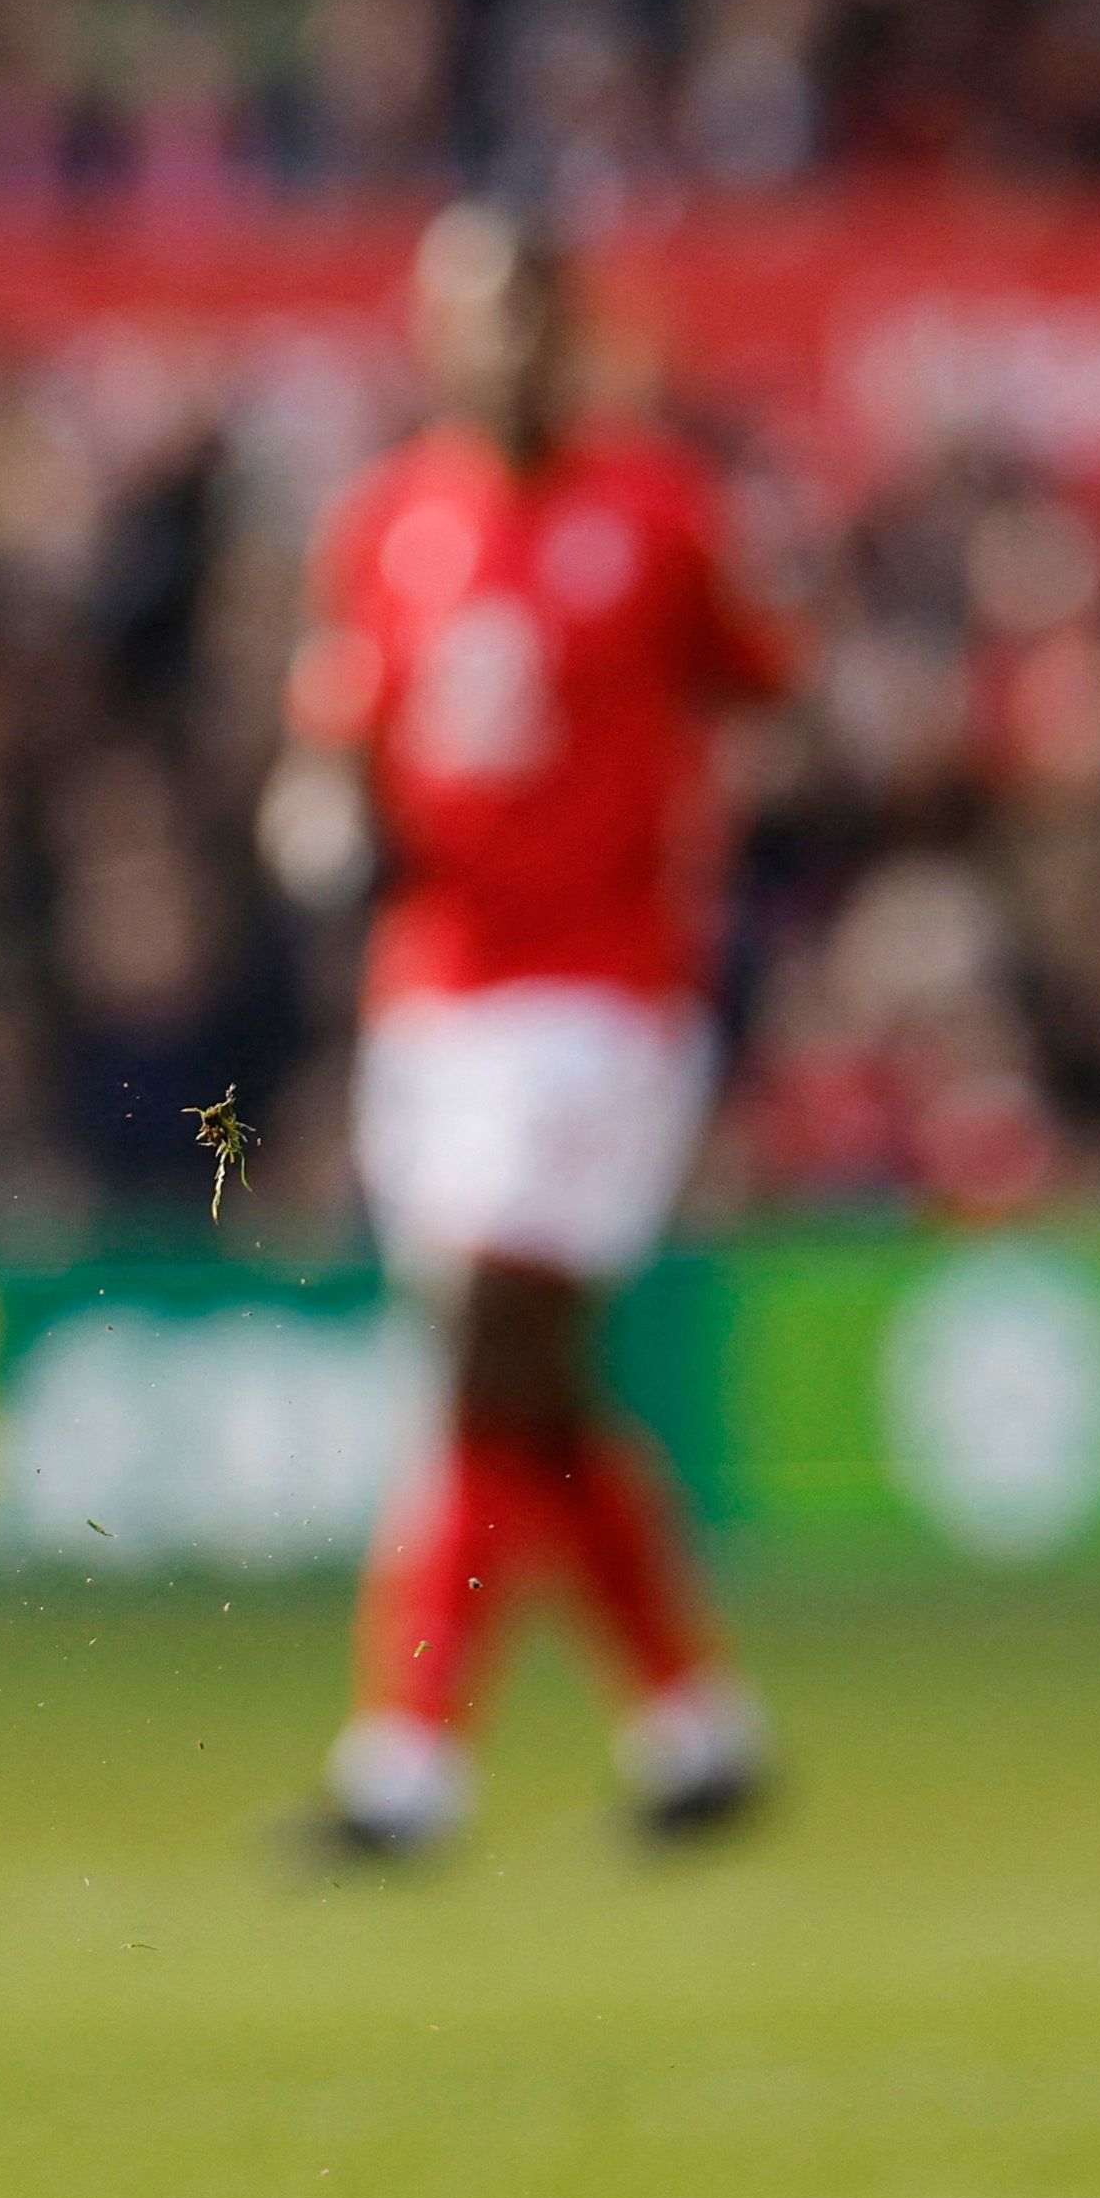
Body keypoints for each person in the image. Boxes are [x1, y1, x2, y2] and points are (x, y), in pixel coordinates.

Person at [261, 201, 790, 1864]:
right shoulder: (385, 522)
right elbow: (335, 733)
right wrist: (314, 814)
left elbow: (770, 690)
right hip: (434, 995)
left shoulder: (660, 508)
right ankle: (693, 1724)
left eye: (525, 315)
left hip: (600, 992)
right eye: (470, 316)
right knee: (525, 1390)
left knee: (488, 1350)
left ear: (573, 333)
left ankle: (404, 1762)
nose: (498, 347)